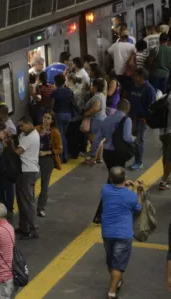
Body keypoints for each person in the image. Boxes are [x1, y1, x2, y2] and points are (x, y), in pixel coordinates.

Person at [101, 167, 142, 299]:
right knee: (118, 265)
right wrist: (139, 192)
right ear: (124, 178)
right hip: (123, 234)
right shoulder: (130, 195)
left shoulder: (105, 190)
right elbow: (138, 208)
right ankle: (111, 292)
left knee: (111, 261)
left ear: (111, 178)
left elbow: (114, 186)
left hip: (107, 232)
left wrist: (123, 184)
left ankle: (116, 281)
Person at [91, 99, 133, 223]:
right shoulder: (126, 120)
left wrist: (93, 154)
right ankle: (100, 214)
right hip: (119, 154)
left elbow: (98, 138)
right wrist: (133, 140)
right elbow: (127, 137)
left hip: (108, 154)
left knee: (113, 181)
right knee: (114, 183)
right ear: (127, 109)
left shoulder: (106, 119)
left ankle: (106, 213)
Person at [12, 116, 40, 239]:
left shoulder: (31, 137)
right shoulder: (25, 134)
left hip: (28, 172)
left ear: (29, 124)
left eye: (22, 125)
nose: (20, 128)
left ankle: (33, 229)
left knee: (27, 202)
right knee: (21, 201)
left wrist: (9, 144)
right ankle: (24, 226)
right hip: (25, 171)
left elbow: (17, 152)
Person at [128, 68, 156, 170]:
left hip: (142, 119)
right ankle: (133, 158)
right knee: (131, 139)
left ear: (141, 77)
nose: (133, 77)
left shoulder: (149, 89)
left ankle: (139, 162)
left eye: (135, 75)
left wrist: (147, 118)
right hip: (132, 118)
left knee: (139, 141)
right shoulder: (135, 86)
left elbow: (152, 107)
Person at [35, 111, 62, 217]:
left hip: (47, 159)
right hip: (35, 158)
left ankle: (41, 207)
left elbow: (59, 149)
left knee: (44, 184)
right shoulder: (36, 129)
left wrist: (46, 152)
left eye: (48, 118)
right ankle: (31, 206)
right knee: (31, 182)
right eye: (44, 117)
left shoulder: (55, 132)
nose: (45, 119)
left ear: (52, 120)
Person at [84, 79, 107, 165]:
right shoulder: (102, 95)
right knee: (99, 139)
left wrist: (86, 114)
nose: (91, 87)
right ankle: (99, 158)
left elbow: (96, 108)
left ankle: (93, 158)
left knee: (94, 139)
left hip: (96, 119)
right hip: (102, 118)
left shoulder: (97, 97)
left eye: (92, 86)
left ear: (96, 87)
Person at [51, 74, 73, 162]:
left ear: (56, 82)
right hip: (68, 115)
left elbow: (51, 105)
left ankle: (61, 156)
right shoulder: (69, 91)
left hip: (59, 115)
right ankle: (65, 155)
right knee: (64, 135)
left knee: (60, 136)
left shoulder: (55, 92)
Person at [158, 94, 171, 190]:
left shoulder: (164, 96)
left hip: (162, 132)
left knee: (166, 155)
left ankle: (165, 176)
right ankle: (164, 181)